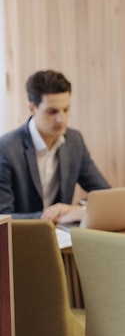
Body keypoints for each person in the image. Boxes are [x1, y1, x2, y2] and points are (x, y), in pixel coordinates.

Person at [0, 70, 110, 223]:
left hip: (63, 236)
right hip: (22, 237)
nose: (61, 119)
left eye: (66, 109)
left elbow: (104, 194)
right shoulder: (6, 148)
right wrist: (51, 216)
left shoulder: (74, 141)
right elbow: (3, 216)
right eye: (52, 112)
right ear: (32, 108)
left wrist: (79, 209)